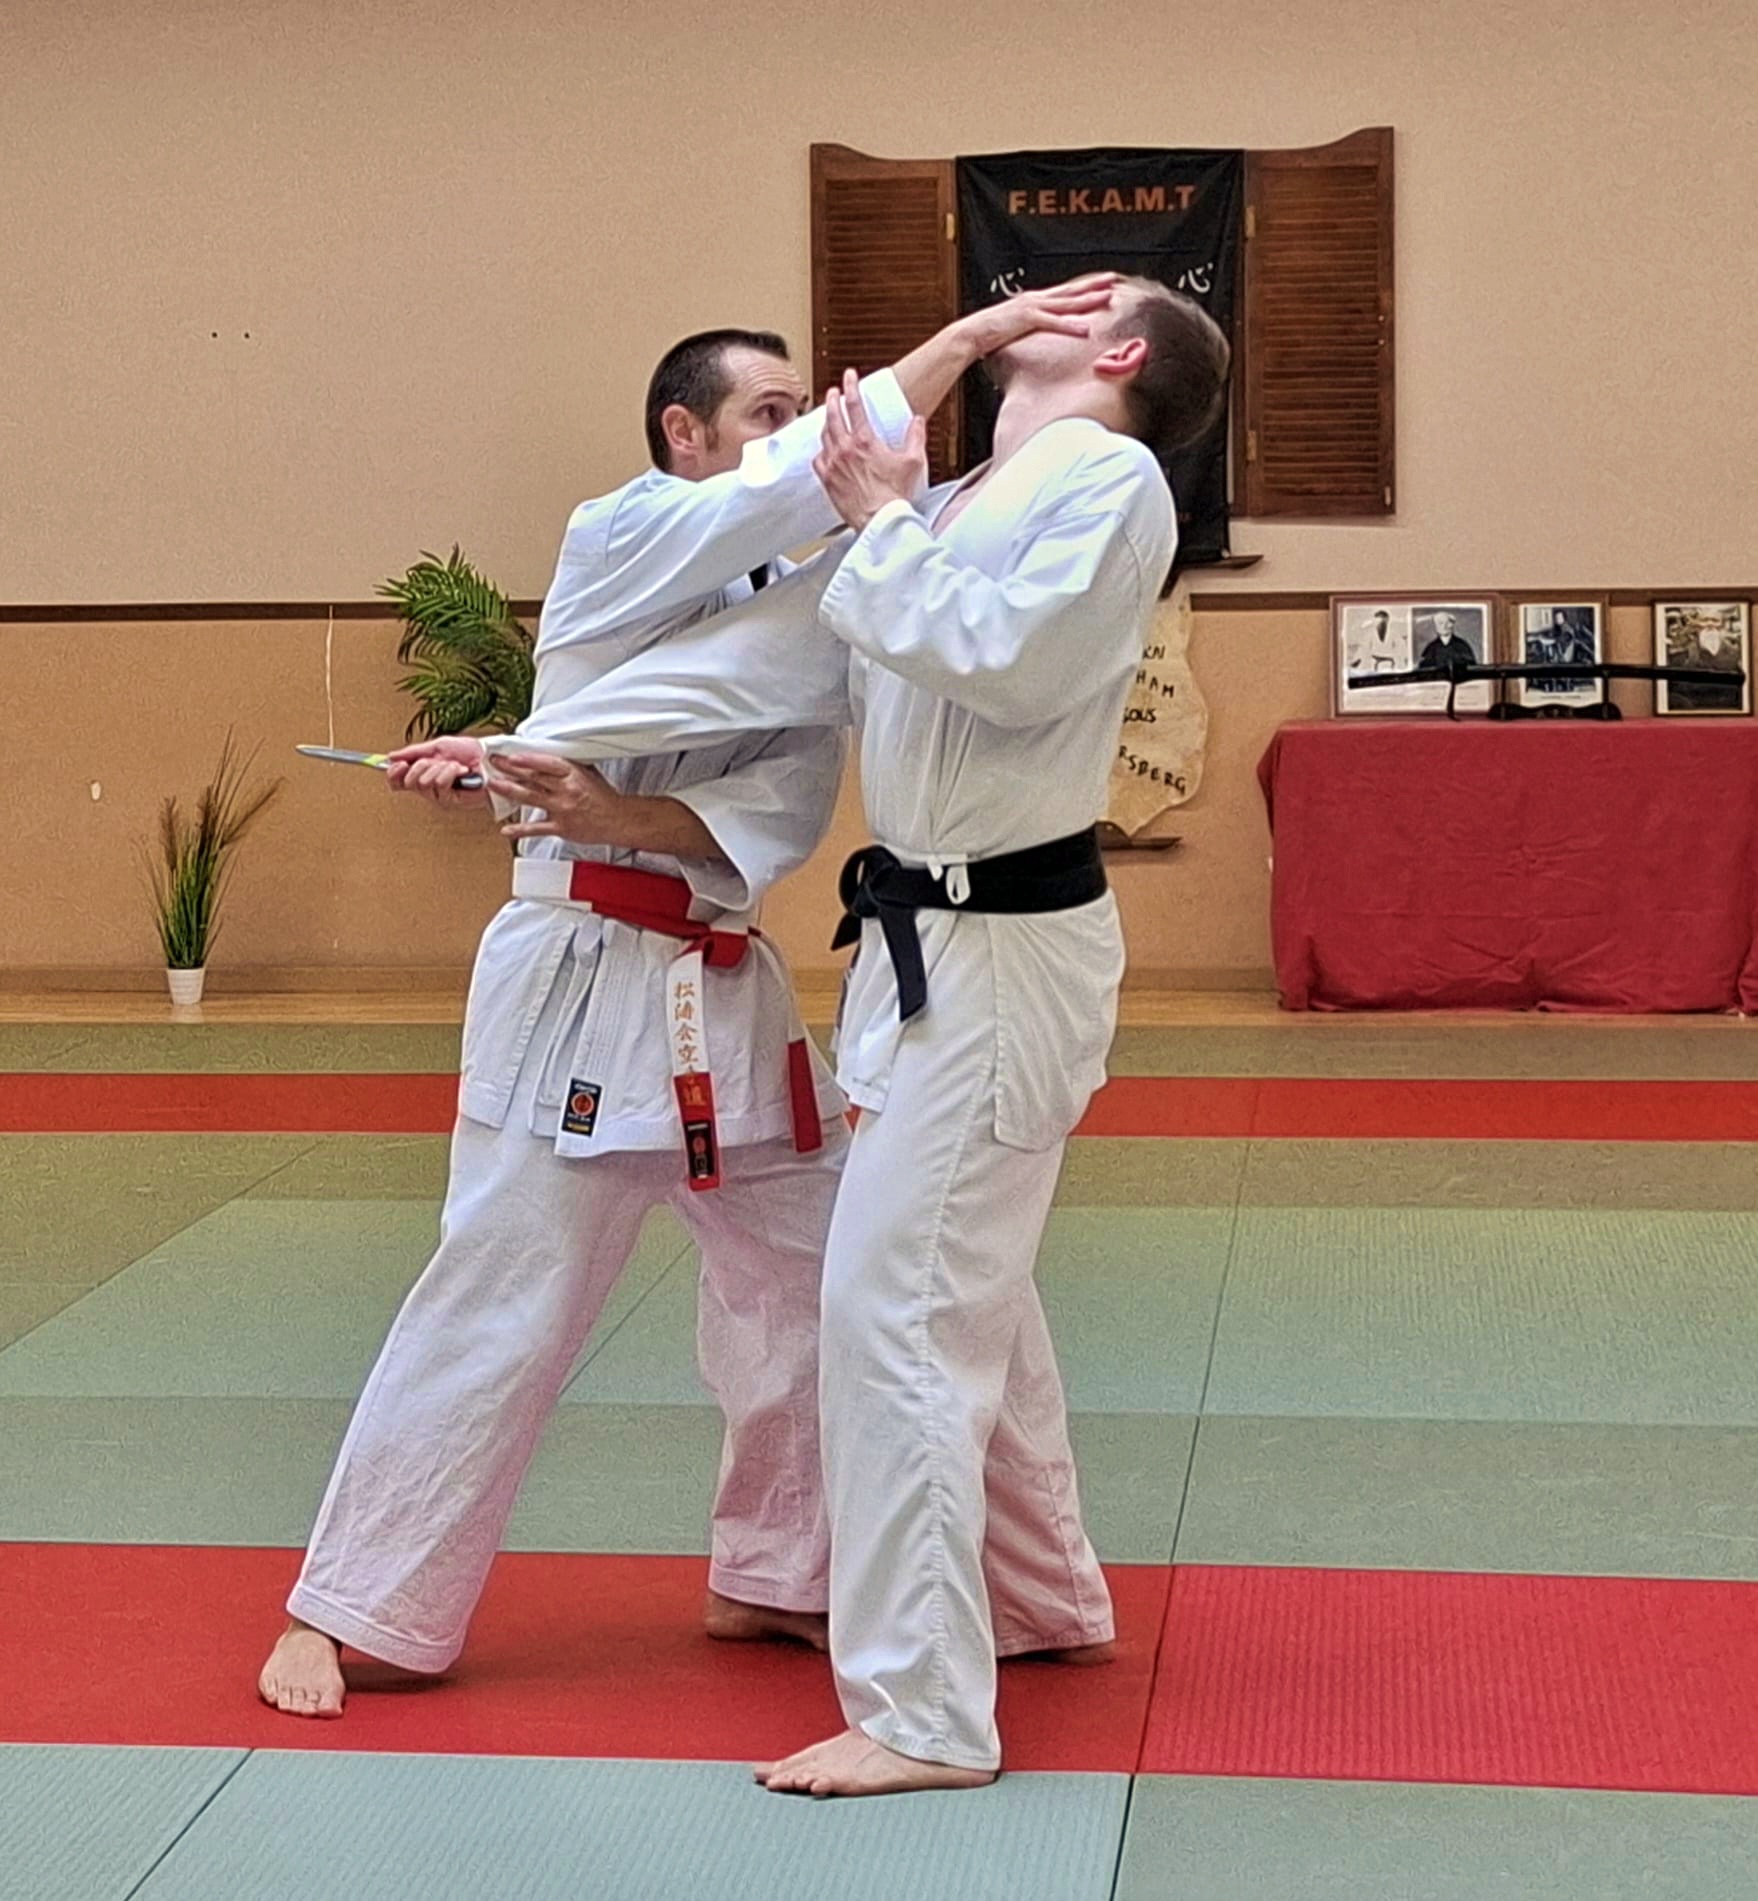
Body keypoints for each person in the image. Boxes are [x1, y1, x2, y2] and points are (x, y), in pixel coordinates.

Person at [257, 282, 1118, 1718]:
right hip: (578, 984)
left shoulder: (818, 608)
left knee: (841, 1289)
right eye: (769, 414)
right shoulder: (623, 537)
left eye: (803, 410)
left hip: (727, 992)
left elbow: (767, 816)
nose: (800, 435)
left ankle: (797, 1572)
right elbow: (776, 506)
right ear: (684, 433)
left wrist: (589, 792)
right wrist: (966, 342)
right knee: (501, 1299)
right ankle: (349, 1610)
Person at [491, 278, 1231, 1795]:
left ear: (1119, 352)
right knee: (949, 1297)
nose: (1031, 306)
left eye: (1091, 296)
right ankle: (1038, 1601)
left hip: (1001, 950)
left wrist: (882, 514)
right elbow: (779, 657)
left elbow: (1007, 658)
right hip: (925, 950)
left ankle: (923, 1713)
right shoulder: (959, 496)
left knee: (898, 1316)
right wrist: (543, 738)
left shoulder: (1109, 480)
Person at [1418, 609, 1479, 674]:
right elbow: (1423, 670)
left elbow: (1472, 668)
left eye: (1447, 623)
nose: (1444, 626)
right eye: (1440, 623)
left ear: (1451, 625)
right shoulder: (1431, 648)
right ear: (1436, 627)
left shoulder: (1462, 646)